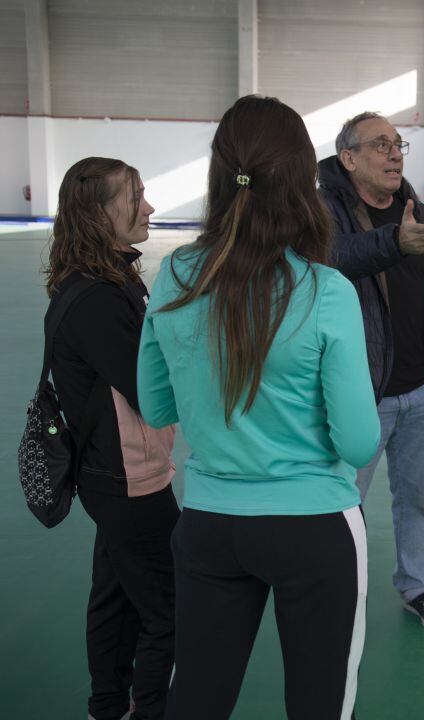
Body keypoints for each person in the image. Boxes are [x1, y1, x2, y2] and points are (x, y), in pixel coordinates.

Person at [137, 95, 380, 718]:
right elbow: (357, 444)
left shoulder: (176, 276)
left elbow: (156, 404)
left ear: (220, 176)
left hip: (209, 526)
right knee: (320, 704)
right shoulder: (328, 291)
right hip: (314, 529)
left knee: (194, 699)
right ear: (305, 183)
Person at [318, 112, 424, 634]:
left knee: (415, 497)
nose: (395, 153)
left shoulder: (414, 208)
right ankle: (336, 589)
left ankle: (417, 586)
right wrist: (393, 244)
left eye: (397, 144)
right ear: (349, 157)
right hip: (362, 392)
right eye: (379, 145)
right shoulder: (324, 209)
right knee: (342, 501)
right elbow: (330, 258)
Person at [45, 157, 177, 720]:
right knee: (170, 612)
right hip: (128, 481)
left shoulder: (111, 279)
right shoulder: (99, 298)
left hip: (116, 475)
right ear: (100, 214)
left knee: (116, 597)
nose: (149, 207)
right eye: (137, 197)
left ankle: (106, 706)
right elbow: (153, 391)